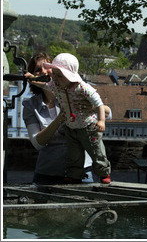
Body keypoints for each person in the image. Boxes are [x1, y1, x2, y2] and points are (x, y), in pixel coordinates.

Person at [23, 52, 112, 185]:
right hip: (48, 173)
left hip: (83, 172)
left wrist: (91, 107)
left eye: (46, 67)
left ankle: (102, 171)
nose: (43, 72)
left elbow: (108, 114)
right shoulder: (30, 106)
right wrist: (60, 118)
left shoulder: (76, 90)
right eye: (37, 69)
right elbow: (37, 143)